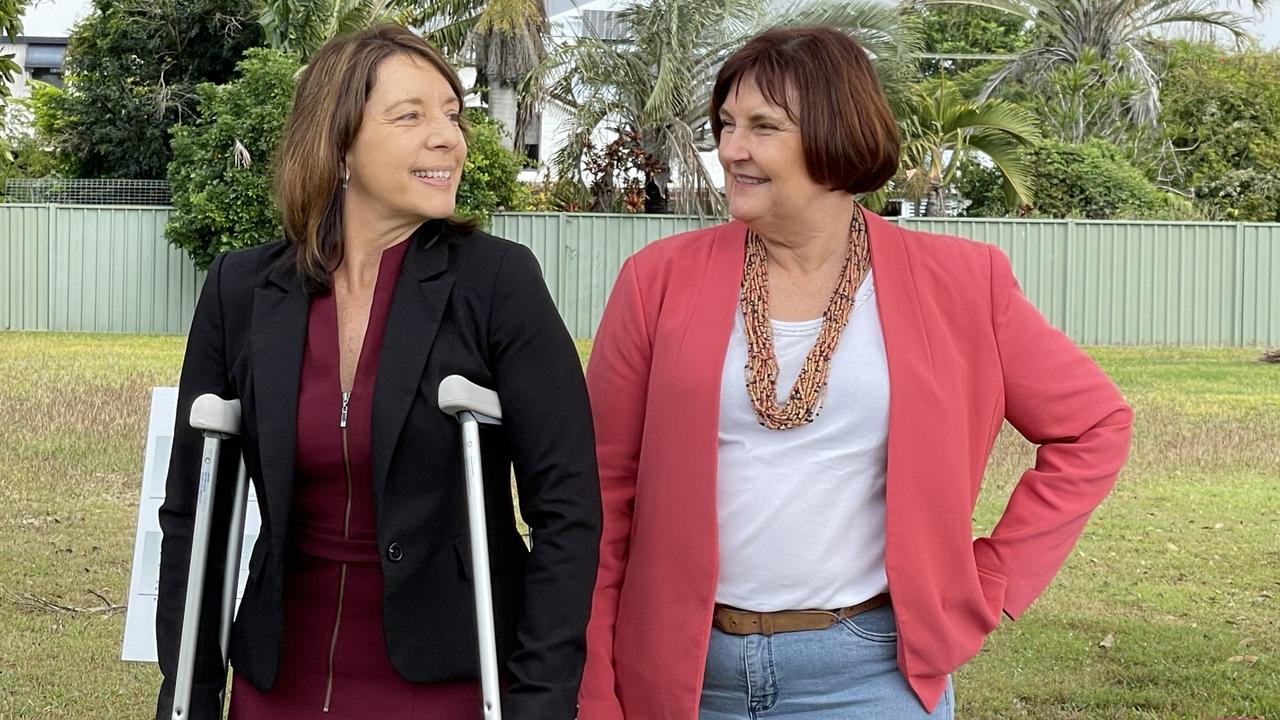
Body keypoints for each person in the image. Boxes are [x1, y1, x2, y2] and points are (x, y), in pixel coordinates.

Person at [577, 26, 1133, 720]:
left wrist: (991, 579)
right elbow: (599, 499)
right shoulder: (655, 283)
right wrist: (596, 686)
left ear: (837, 138)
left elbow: (1096, 425)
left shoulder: (962, 283)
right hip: (680, 682)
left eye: (762, 127)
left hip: (871, 680)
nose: (729, 149)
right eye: (725, 124)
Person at [154, 24, 601, 720]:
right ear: (338, 148)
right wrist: (188, 691)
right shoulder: (242, 290)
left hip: (448, 680)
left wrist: (542, 701)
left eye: (453, 114)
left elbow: (567, 511)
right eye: (411, 115)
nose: (449, 137)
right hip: (279, 682)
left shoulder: (497, 284)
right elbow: (193, 515)